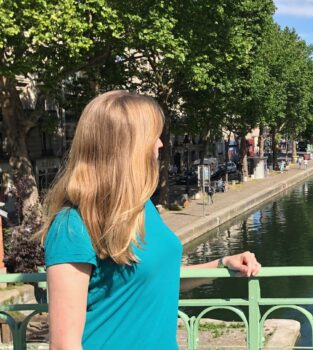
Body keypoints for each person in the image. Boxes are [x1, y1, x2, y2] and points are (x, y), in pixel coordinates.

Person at [37, 91, 261, 349]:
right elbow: (64, 345)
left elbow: (157, 277)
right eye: (153, 135)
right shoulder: (72, 225)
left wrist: (222, 263)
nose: (160, 144)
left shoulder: (142, 207)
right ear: (127, 146)